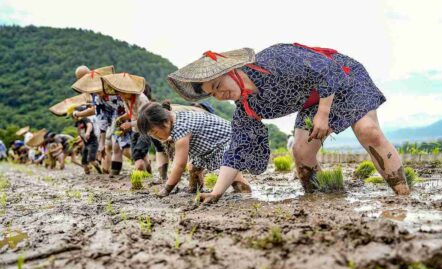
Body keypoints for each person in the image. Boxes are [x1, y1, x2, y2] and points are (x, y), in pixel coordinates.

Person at [167, 43, 410, 203]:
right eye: (213, 94)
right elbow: (236, 151)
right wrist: (216, 193)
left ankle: (403, 197)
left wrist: (323, 113)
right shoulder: (247, 107)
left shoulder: (275, 59)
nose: (220, 95)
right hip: (313, 101)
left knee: (368, 131)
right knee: (301, 150)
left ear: (232, 71)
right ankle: (322, 198)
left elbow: (326, 69)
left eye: (219, 86)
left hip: (343, 78)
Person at [137, 102, 251, 197]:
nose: (156, 137)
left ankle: (245, 192)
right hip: (212, 146)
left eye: (155, 133)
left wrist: (167, 189)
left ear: (166, 122)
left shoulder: (181, 129)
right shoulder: (176, 119)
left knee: (230, 173)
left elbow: (179, 165)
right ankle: (194, 189)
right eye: (151, 135)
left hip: (230, 142)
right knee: (193, 167)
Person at [101, 73, 169, 178]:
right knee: (135, 154)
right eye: (119, 92)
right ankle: (148, 174)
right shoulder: (125, 99)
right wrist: (122, 119)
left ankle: (138, 179)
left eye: (122, 92)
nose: (120, 95)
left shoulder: (141, 99)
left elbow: (146, 120)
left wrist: (129, 124)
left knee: (138, 154)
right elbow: (131, 113)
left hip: (145, 130)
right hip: (135, 130)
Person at [72, 106, 102, 174]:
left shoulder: (86, 119)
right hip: (86, 143)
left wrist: (88, 132)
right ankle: (87, 171)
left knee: (91, 159)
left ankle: (99, 170)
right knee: (84, 161)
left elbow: (89, 125)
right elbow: (79, 130)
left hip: (92, 142)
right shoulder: (78, 122)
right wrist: (80, 137)